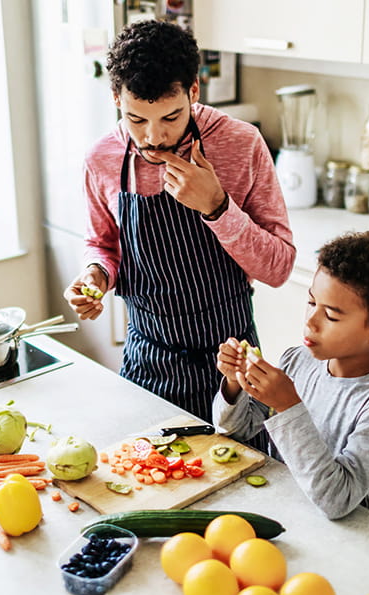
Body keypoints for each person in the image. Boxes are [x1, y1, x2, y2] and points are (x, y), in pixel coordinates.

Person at [63, 20, 295, 429]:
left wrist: (217, 207)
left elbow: (278, 269)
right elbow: (102, 245)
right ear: (116, 97)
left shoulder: (241, 145)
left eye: (170, 117)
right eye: (137, 120)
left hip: (233, 368)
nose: (154, 138)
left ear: (193, 91)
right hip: (147, 361)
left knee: (244, 484)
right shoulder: (101, 159)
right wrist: (95, 277)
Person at [212, 231, 369, 521]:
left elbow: (337, 500)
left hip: (358, 543)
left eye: (332, 316)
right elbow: (236, 432)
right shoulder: (297, 361)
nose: (310, 322)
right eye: (312, 303)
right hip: (292, 518)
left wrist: (289, 406)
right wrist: (234, 384)